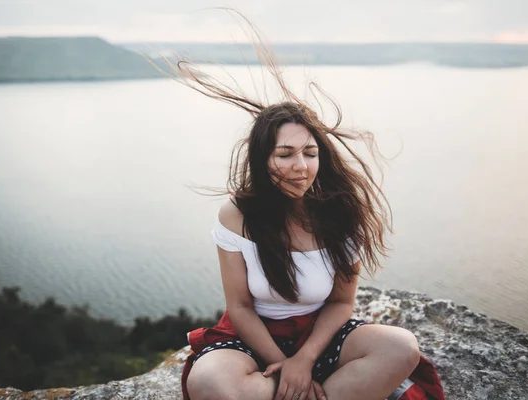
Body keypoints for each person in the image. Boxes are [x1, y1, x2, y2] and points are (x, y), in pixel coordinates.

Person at [153, 21, 445, 400]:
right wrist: (283, 364)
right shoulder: (236, 215)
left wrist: (304, 360)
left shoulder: (342, 214)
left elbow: (341, 302)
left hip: (319, 336)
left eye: (310, 153)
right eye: (285, 154)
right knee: (209, 382)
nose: (301, 167)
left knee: (401, 347)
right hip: (253, 337)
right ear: (263, 159)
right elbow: (240, 307)